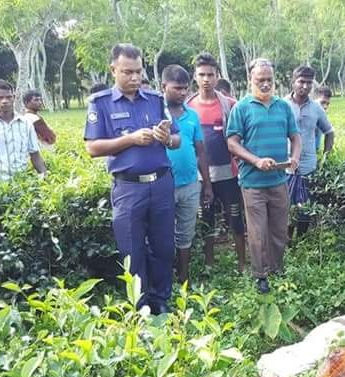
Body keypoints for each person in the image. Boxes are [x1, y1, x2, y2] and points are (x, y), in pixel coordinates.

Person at [84, 43, 180, 314]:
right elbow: (92, 148)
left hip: (161, 184)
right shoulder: (101, 103)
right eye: (128, 72)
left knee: (163, 247)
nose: (135, 78)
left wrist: (166, 138)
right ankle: (139, 307)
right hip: (128, 188)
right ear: (113, 69)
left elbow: (177, 139)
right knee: (132, 252)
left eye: (138, 72)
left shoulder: (155, 100)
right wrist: (130, 139)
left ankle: (161, 301)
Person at [226, 58, 301, 293]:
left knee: (279, 229)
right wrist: (256, 160)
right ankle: (261, 275)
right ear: (251, 80)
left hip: (279, 180)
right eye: (260, 80)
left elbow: (295, 137)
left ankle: (278, 268)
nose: (266, 84)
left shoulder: (283, 107)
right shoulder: (242, 108)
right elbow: (232, 143)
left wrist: (295, 157)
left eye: (269, 80)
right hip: (253, 182)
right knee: (258, 232)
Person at [186, 52, 246, 273]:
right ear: (195, 76)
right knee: (206, 221)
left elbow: (241, 138)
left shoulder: (230, 104)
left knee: (236, 219)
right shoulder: (187, 106)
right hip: (201, 177)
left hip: (229, 175)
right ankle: (209, 264)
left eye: (210, 74)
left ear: (217, 75)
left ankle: (242, 264)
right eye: (202, 74)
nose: (206, 79)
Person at [161, 64, 212, 285]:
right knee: (162, 233)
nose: (182, 93)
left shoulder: (192, 116)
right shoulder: (155, 113)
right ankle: (164, 276)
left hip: (190, 184)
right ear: (164, 87)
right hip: (163, 185)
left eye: (185, 88)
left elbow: (200, 150)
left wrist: (207, 184)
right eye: (177, 88)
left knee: (186, 232)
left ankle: (184, 276)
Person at [285, 66, 334, 238]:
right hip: (285, 167)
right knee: (286, 208)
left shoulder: (316, 108)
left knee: (305, 209)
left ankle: (302, 242)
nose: (305, 86)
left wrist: (325, 158)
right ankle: (288, 242)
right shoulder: (282, 105)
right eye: (301, 82)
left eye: (309, 83)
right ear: (293, 82)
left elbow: (329, 132)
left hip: (308, 167)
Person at [0, 80, 48, 185]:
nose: (4, 101)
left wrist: (45, 178)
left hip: (22, 185)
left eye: (8, 97)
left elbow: (35, 154)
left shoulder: (26, 124)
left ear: (14, 98)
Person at [314, 86, 333, 151]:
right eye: (322, 102)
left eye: (327, 104)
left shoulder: (322, 118)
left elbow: (329, 132)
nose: (325, 107)